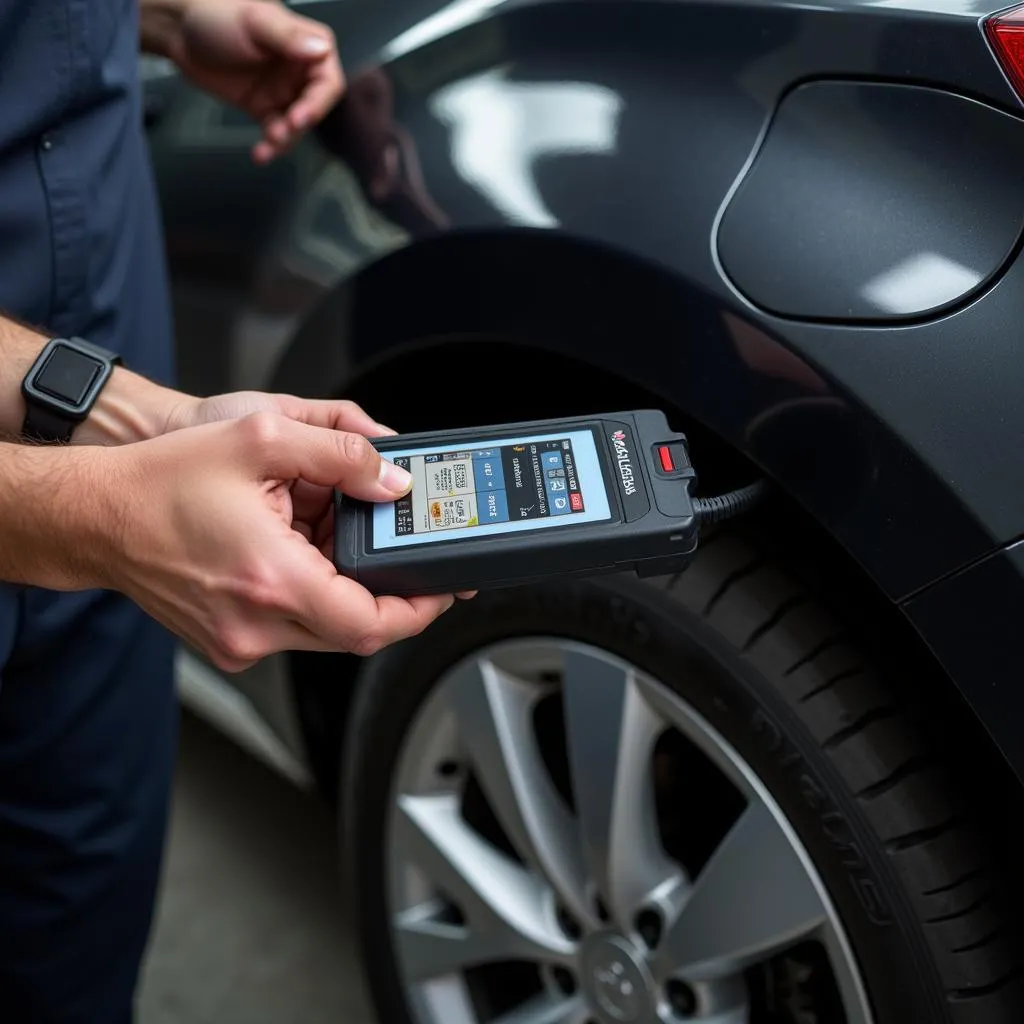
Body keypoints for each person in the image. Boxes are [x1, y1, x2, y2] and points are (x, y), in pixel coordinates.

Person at [0, 2, 456, 1020]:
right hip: (106, 511)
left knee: (76, 947)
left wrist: (160, 12)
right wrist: (103, 514)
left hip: (102, 330)